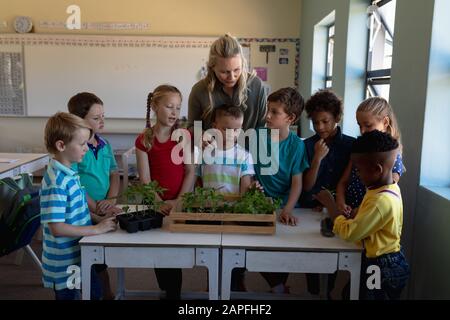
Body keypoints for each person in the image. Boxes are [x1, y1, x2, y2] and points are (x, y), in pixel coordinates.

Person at [314, 130, 410, 300]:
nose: (357, 174)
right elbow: (371, 220)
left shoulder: (381, 201)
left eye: (359, 170)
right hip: (384, 260)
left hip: (382, 266)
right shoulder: (383, 189)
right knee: (350, 294)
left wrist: (331, 205)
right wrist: (356, 214)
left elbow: (350, 233)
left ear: (377, 169)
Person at [41, 112, 117, 300]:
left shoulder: (70, 174)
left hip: (78, 253)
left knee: (94, 292)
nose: (86, 148)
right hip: (66, 263)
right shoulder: (57, 182)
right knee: (74, 296)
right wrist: (96, 229)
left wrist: (99, 219)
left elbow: (77, 211)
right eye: (82, 144)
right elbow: (57, 228)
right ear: (61, 145)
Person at [135, 84, 196, 299]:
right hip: (155, 203)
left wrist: (178, 201)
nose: (174, 112)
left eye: (178, 108)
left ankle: (173, 294)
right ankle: (167, 290)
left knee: (174, 251)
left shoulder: (183, 136)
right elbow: (145, 179)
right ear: (155, 106)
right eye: (169, 106)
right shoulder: (144, 139)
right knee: (159, 250)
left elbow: (190, 172)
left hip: (179, 202)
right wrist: (159, 202)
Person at [298, 89, 355, 297]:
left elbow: (349, 181)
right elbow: (306, 186)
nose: (320, 127)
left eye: (325, 122)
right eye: (315, 122)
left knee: (334, 254)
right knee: (310, 254)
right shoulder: (308, 145)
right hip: (310, 209)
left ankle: (329, 291)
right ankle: (314, 292)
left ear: (337, 118)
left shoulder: (351, 145)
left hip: (338, 209)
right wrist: (317, 159)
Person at [253, 87, 309, 294]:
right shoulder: (258, 135)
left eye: (275, 112)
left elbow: (297, 182)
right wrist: (250, 186)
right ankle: (277, 286)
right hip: (259, 203)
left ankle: (278, 285)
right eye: (268, 109)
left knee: (284, 250)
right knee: (248, 247)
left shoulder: (296, 146)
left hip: (285, 203)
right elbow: (249, 169)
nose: (267, 115)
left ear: (290, 118)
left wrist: (288, 209)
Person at [68, 92, 121, 299]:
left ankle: (106, 294)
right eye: (96, 118)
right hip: (82, 211)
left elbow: (114, 174)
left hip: (103, 208)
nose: (102, 121)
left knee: (100, 261)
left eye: (103, 116)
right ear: (80, 120)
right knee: (81, 261)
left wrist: (110, 200)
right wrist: (94, 206)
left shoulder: (105, 144)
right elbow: (76, 183)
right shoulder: (75, 149)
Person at [196, 104, 254, 292]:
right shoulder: (203, 154)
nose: (231, 134)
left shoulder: (244, 156)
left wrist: (253, 192)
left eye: (236, 129)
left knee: (235, 253)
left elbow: (245, 186)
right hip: (209, 211)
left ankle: (237, 285)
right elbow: (197, 181)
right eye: (225, 129)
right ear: (214, 126)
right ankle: (211, 285)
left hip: (234, 214)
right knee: (212, 254)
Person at [336, 97, 405, 216]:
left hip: (370, 214)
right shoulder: (360, 149)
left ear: (385, 123)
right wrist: (341, 203)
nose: (362, 131)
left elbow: (385, 192)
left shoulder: (393, 154)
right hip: (348, 212)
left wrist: (358, 212)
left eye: (368, 125)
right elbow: (343, 181)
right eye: (359, 125)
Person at [188, 34, 267, 132]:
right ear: (212, 67)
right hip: (212, 146)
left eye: (237, 69)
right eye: (224, 72)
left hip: (250, 147)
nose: (232, 77)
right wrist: (201, 136)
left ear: (243, 63)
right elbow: (192, 126)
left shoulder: (256, 85)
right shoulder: (199, 90)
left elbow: (263, 125)